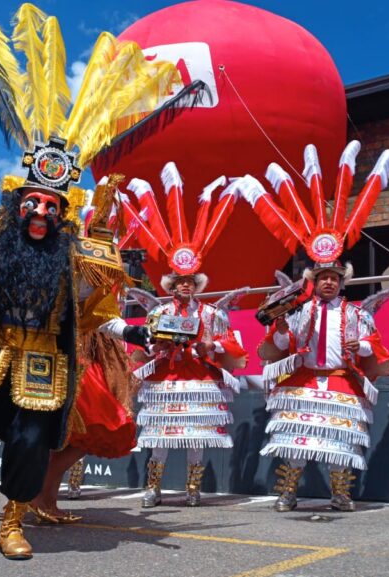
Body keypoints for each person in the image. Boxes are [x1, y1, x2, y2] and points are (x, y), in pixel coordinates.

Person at [0, 2, 193, 561]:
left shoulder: (70, 263)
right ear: (16, 203)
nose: (41, 212)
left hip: (41, 367)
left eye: (52, 206)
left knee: (31, 440)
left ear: (62, 216)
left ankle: (12, 521)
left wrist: (138, 334)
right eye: (33, 201)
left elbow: (97, 315)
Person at [241, 142, 389, 512]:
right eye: (323, 276)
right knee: (297, 438)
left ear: (342, 281)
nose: (328, 282)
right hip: (304, 377)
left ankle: (340, 494)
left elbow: (373, 346)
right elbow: (281, 342)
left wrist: (361, 349)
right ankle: (288, 492)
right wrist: (279, 326)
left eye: (334, 277)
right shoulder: (297, 310)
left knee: (340, 440)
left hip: (341, 379)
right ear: (314, 279)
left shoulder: (357, 313)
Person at [120, 163, 246, 508]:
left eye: (190, 282)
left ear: (196, 286)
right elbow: (142, 341)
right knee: (159, 437)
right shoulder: (159, 313)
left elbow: (234, 343)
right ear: (172, 286)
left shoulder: (211, 314)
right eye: (180, 283)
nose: (185, 287)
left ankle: (193, 490)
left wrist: (213, 344)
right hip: (167, 379)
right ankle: (153, 488)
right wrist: (156, 344)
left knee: (196, 439)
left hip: (199, 378)